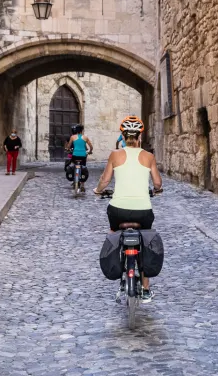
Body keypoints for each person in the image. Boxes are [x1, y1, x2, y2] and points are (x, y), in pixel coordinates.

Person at [93, 115, 163, 303]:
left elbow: (105, 180)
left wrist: (98, 190)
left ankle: (117, 264)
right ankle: (146, 289)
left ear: (123, 136)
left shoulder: (115, 155)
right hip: (143, 211)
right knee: (146, 238)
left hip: (118, 210)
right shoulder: (149, 157)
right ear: (140, 136)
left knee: (113, 231)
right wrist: (156, 190)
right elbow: (157, 182)